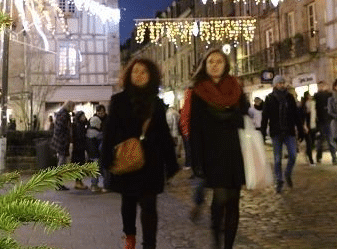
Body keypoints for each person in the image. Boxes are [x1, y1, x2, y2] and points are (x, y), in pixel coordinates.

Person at [101, 58, 178, 249]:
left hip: (151, 162)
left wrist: (171, 162)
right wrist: (106, 159)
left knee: (149, 206)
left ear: (150, 76)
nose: (139, 75)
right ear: (129, 74)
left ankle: (149, 244)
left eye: (144, 72)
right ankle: (130, 236)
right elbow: (109, 131)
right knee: (128, 203)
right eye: (135, 71)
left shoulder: (157, 103)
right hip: (127, 159)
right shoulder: (118, 101)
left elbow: (164, 135)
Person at [182, 48, 248, 249]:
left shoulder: (235, 87)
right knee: (220, 199)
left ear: (225, 64)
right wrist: (196, 162)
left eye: (219, 61)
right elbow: (194, 128)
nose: (215, 64)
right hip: (211, 153)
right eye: (211, 61)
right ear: (205, 64)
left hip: (234, 151)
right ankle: (216, 240)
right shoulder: (198, 91)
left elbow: (244, 116)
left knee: (234, 201)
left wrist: (231, 115)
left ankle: (228, 245)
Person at [261, 75, 304, 194]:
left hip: (289, 131)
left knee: (293, 155)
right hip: (276, 132)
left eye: (283, 83)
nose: (282, 84)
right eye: (279, 83)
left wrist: (300, 129)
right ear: (275, 85)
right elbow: (265, 117)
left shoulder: (289, 97)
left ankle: (287, 173)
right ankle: (279, 181)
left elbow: (296, 115)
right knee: (277, 159)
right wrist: (263, 133)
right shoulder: (269, 98)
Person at [51, 101, 74, 191]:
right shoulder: (64, 115)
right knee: (61, 163)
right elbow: (60, 128)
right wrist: (66, 136)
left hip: (60, 141)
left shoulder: (61, 113)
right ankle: (58, 183)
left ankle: (58, 183)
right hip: (62, 142)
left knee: (61, 162)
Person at [314, 80, 337, 165]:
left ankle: (333, 157)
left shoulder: (328, 95)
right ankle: (320, 157)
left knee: (329, 140)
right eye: (319, 86)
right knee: (322, 141)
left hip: (327, 121)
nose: (321, 87)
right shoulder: (317, 96)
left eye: (322, 86)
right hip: (321, 121)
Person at [87, 104, 107, 192]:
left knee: (97, 169)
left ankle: (94, 185)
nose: (100, 114)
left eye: (102, 112)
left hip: (92, 153)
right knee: (101, 169)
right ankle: (101, 185)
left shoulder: (89, 131)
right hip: (98, 153)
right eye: (99, 112)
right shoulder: (98, 134)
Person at [71, 110, 89, 190]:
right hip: (79, 150)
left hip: (78, 149)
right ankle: (78, 182)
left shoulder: (79, 125)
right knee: (79, 166)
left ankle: (79, 182)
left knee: (80, 166)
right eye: (83, 116)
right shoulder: (79, 126)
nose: (84, 117)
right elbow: (80, 138)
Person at [299, 91, 316, 166]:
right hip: (306, 127)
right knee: (309, 143)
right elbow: (302, 118)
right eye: (309, 96)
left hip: (312, 126)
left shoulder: (313, 105)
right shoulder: (303, 107)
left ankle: (308, 155)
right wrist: (304, 126)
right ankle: (311, 160)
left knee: (311, 143)